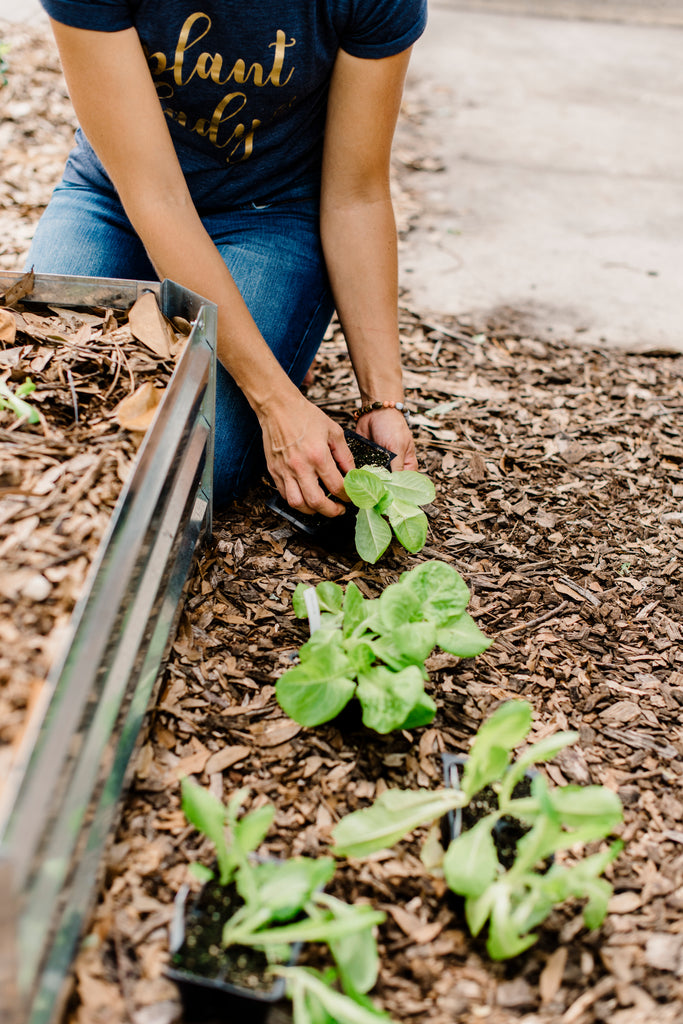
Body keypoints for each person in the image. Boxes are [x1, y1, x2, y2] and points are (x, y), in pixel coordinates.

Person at [29, 0, 426, 512]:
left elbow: (357, 195)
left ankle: (269, 324)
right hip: (118, 197)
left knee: (193, 462)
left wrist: (382, 401)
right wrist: (279, 403)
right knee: (39, 398)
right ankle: (266, 338)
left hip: (270, 212)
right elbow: (156, 196)